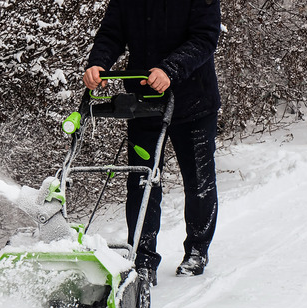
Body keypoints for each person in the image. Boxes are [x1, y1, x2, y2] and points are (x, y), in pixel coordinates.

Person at [83, 0, 222, 286]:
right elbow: (112, 33)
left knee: (198, 180)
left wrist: (169, 69)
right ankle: (142, 257)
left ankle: (197, 249)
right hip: (144, 104)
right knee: (141, 180)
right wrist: (98, 64)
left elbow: (205, 37)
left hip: (194, 101)